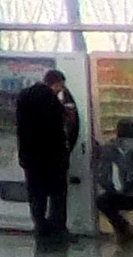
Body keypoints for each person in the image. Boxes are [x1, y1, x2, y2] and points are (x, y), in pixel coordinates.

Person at [14, 66, 83, 245]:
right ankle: (58, 229)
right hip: (51, 157)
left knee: (36, 194)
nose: (60, 90)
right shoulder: (50, 99)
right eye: (60, 87)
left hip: (29, 156)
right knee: (57, 194)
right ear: (57, 83)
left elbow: (20, 127)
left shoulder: (23, 96)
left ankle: (40, 228)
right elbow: (56, 128)